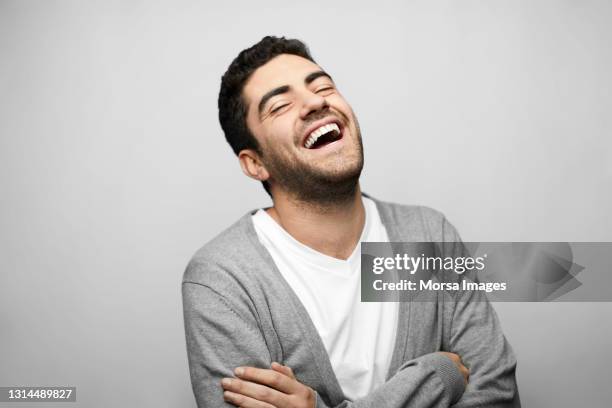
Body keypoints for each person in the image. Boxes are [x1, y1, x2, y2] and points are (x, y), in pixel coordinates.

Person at [182, 35, 520, 408]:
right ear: (255, 163)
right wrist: (436, 376)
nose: (315, 102)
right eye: (280, 105)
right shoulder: (222, 279)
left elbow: (499, 398)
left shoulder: (429, 234)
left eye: (323, 86)